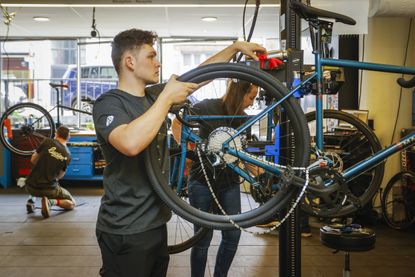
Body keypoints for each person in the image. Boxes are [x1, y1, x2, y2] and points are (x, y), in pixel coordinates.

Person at [92, 28, 265, 277]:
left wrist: (235, 48)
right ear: (129, 62)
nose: (158, 62)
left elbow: (200, 76)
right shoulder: (109, 103)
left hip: (155, 223)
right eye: (151, 56)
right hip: (124, 228)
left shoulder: (153, 96)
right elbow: (130, 143)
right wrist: (165, 100)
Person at [180, 80, 260, 277]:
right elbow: (178, 122)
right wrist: (186, 152)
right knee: (202, 239)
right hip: (201, 180)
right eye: (251, 97)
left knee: (233, 235)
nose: (251, 103)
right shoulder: (206, 106)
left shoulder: (243, 119)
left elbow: (240, 153)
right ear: (239, 93)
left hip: (229, 182)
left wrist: (254, 169)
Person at [25, 125, 76, 218]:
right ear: (68, 137)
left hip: (30, 186)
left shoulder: (47, 141)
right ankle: (51, 202)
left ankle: (31, 200)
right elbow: (60, 176)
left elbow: (32, 160)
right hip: (49, 190)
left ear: (56, 134)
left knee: (36, 175)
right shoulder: (68, 155)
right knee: (72, 203)